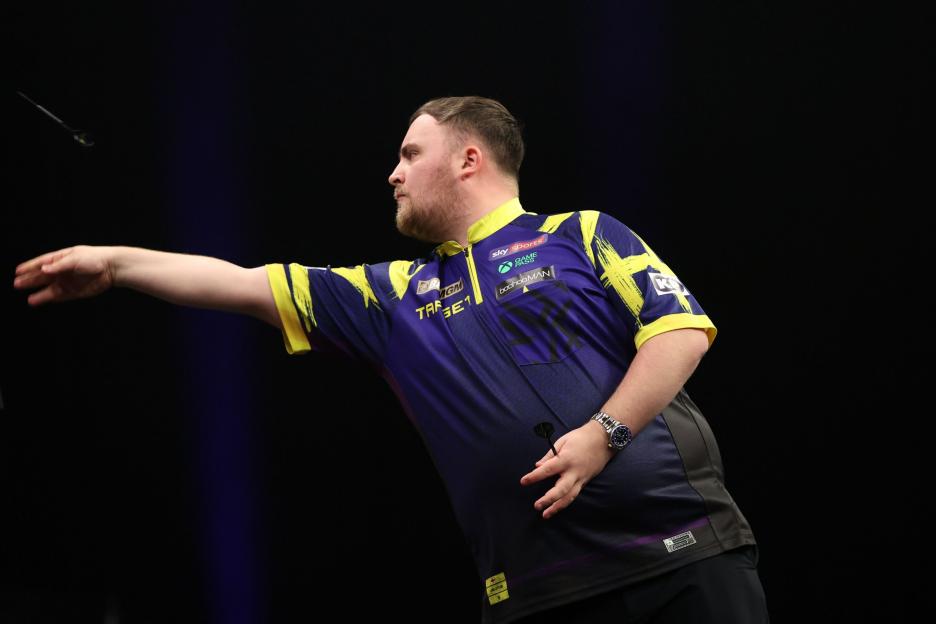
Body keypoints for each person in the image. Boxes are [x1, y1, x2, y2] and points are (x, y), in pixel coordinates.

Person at [13, 96, 768, 623]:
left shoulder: (583, 234)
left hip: (682, 555)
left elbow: (680, 332)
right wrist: (114, 263)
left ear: (469, 158)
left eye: (411, 154)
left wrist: (601, 436)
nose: (393, 173)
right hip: (540, 594)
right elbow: (241, 283)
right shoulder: (394, 295)